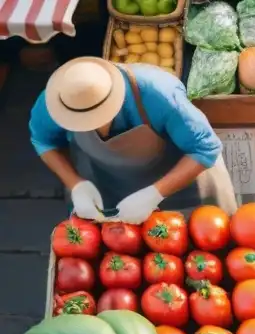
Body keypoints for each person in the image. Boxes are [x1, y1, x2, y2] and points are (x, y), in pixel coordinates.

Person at [30, 57, 237, 225]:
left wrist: (154, 194)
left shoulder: (158, 93)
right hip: (111, 186)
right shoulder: (57, 101)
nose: (89, 126)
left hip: (185, 183)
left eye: (94, 118)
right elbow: (44, 142)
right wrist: (76, 184)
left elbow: (205, 148)